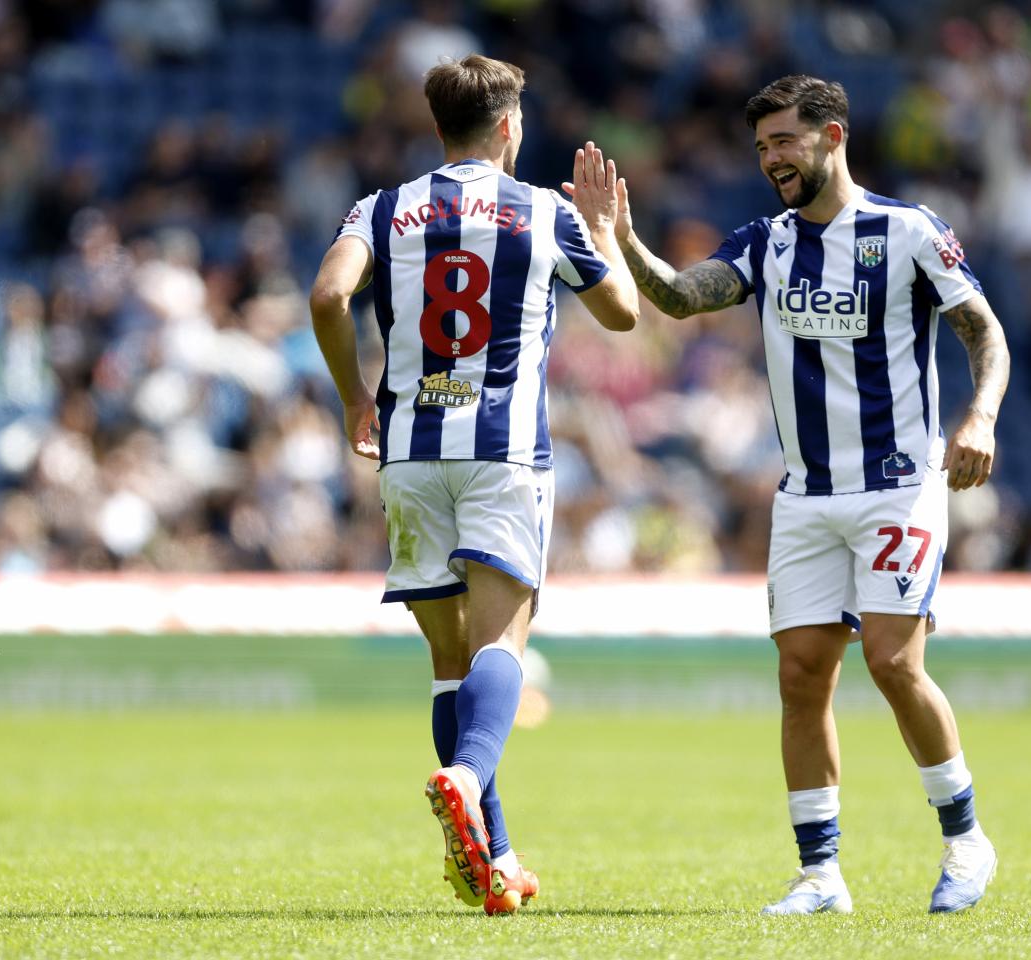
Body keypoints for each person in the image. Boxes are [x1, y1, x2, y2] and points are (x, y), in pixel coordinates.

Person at [603, 75, 1010, 914]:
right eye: (761, 148)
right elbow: (681, 297)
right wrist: (623, 237)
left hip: (897, 487)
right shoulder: (768, 241)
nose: (771, 160)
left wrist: (981, 416)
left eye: (784, 142)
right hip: (805, 496)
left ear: (832, 136)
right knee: (800, 675)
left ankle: (966, 840)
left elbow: (984, 331)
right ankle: (820, 873)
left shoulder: (908, 232)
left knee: (893, 662)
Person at [309, 54, 640, 915]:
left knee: (449, 664)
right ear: (509, 128)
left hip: (410, 451)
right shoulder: (544, 210)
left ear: (438, 128)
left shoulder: (381, 208)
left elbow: (326, 294)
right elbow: (625, 315)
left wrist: (355, 395)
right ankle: (465, 776)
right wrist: (602, 230)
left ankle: (494, 858)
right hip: (503, 453)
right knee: (502, 650)